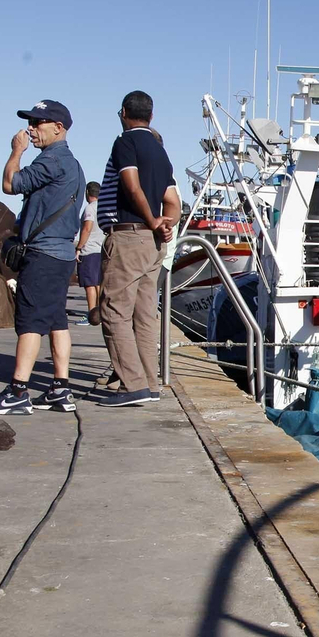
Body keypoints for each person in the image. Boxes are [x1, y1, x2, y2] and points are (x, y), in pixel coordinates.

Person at [0, 100, 85, 415]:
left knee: (29, 320)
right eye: (30, 122)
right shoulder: (75, 166)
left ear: (58, 128)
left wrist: (17, 151)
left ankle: (18, 390)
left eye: (38, 123)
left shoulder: (52, 161)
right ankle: (60, 388)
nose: (31, 129)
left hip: (43, 255)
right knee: (56, 319)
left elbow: (9, 184)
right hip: (62, 255)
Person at [96, 91, 179, 407]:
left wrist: (151, 219)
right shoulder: (160, 152)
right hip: (153, 244)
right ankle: (149, 383)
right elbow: (173, 201)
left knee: (114, 309)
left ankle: (132, 385)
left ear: (123, 113)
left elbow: (131, 186)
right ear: (152, 116)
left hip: (130, 236)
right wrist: (165, 223)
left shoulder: (125, 143)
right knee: (144, 314)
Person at [75, 181, 104, 325]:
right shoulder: (105, 208)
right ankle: (100, 314)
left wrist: (79, 248)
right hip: (102, 250)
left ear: (87, 193)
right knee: (98, 283)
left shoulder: (90, 209)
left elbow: (87, 228)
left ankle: (90, 314)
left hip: (90, 250)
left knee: (90, 285)